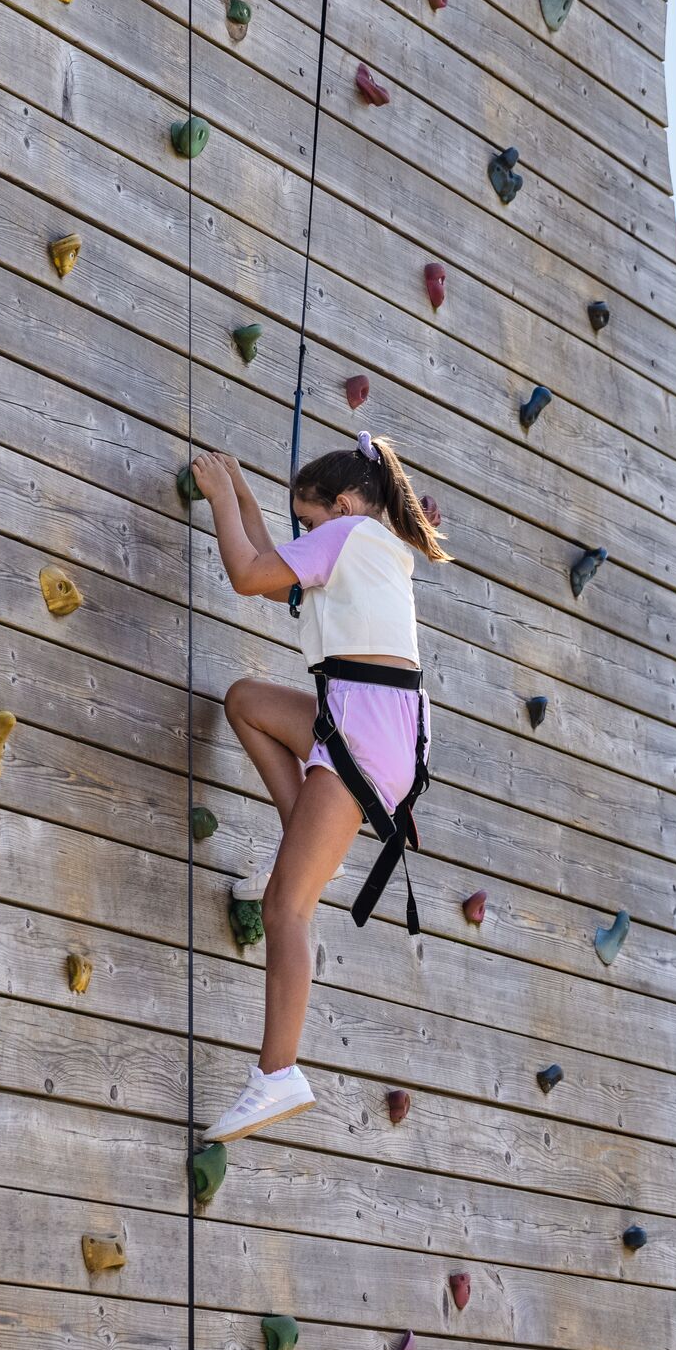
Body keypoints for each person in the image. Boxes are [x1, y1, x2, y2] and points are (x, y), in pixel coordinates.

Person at [187, 433, 453, 1144]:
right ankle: (301, 837)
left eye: (308, 521)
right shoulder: (368, 545)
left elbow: (249, 575)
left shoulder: (348, 537)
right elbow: (278, 568)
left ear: (338, 506)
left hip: (361, 738)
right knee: (247, 700)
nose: (306, 535)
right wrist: (240, 487)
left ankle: (277, 1074)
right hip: (369, 725)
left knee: (285, 908)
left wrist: (217, 499)